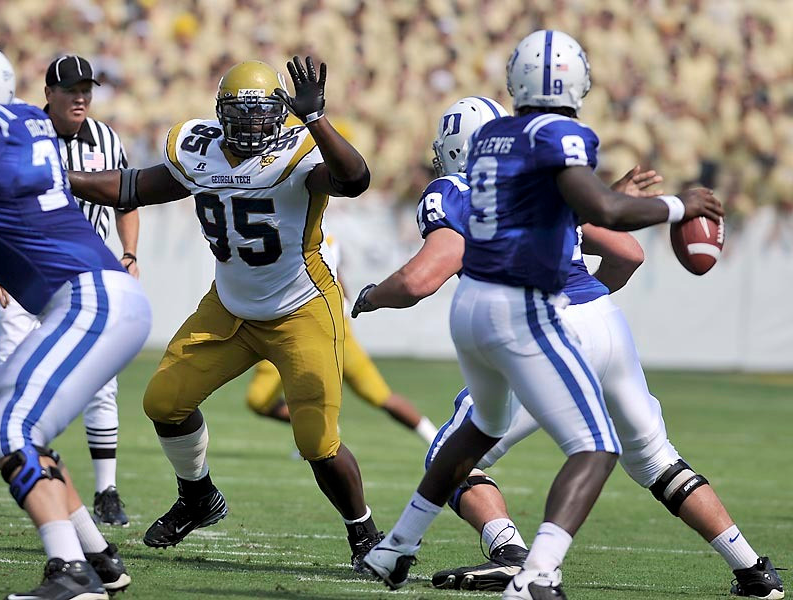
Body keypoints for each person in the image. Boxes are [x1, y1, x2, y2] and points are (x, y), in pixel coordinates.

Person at [356, 95, 785, 599]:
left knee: (453, 454)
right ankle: (752, 569)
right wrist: (586, 288)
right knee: (655, 460)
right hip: (605, 321)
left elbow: (421, 279)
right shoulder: (546, 180)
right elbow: (628, 254)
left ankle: (515, 558)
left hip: (539, 326)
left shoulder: (455, 189)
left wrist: (368, 297)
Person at [67, 56, 383, 571]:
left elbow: (355, 179)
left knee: (316, 441)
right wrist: (62, 180)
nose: (252, 123)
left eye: (262, 112)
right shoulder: (200, 152)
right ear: (220, 112)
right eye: (241, 112)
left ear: (280, 114)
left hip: (299, 306)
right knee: (164, 401)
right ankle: (198, 497)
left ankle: (364, 534)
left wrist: (317, 118)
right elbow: (131, 187)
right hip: (230, 305)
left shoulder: (300, 153)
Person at [0, 47, 150, 600]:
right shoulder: (28, 123)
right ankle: (97, 556)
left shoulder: (5, 136)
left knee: (10, 429)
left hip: (90, 299)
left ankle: (68, 573)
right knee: (15, 420)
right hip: (98, 297)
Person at [246, 234, 438, 444]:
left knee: (377, 394)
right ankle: (323, 426)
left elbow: (332, 273)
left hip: (328, 327)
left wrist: (342, 307)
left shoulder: (320, 235)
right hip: (284, 327)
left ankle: (436, 439)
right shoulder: (274, 229)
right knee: (259, 399)